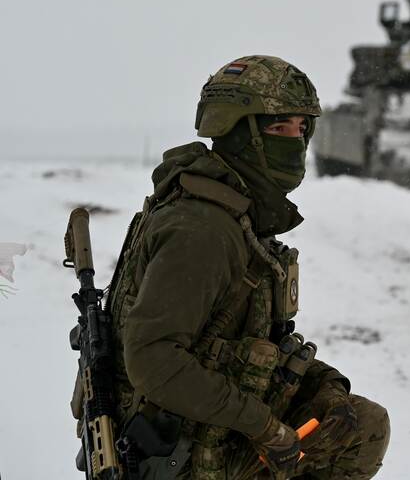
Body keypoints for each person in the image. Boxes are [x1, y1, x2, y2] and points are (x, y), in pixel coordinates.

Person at [104, 55, 390, 479]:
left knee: (355, 420)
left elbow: (250, 343)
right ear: (238, 133)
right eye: (279, 128)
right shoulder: (203, 229)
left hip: (210, 421)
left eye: (301, 128)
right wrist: (265, 428)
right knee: (362, 430)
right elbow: (152, 359)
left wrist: (324, 385)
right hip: (181, 450)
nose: (295, 141)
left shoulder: (239, 213)